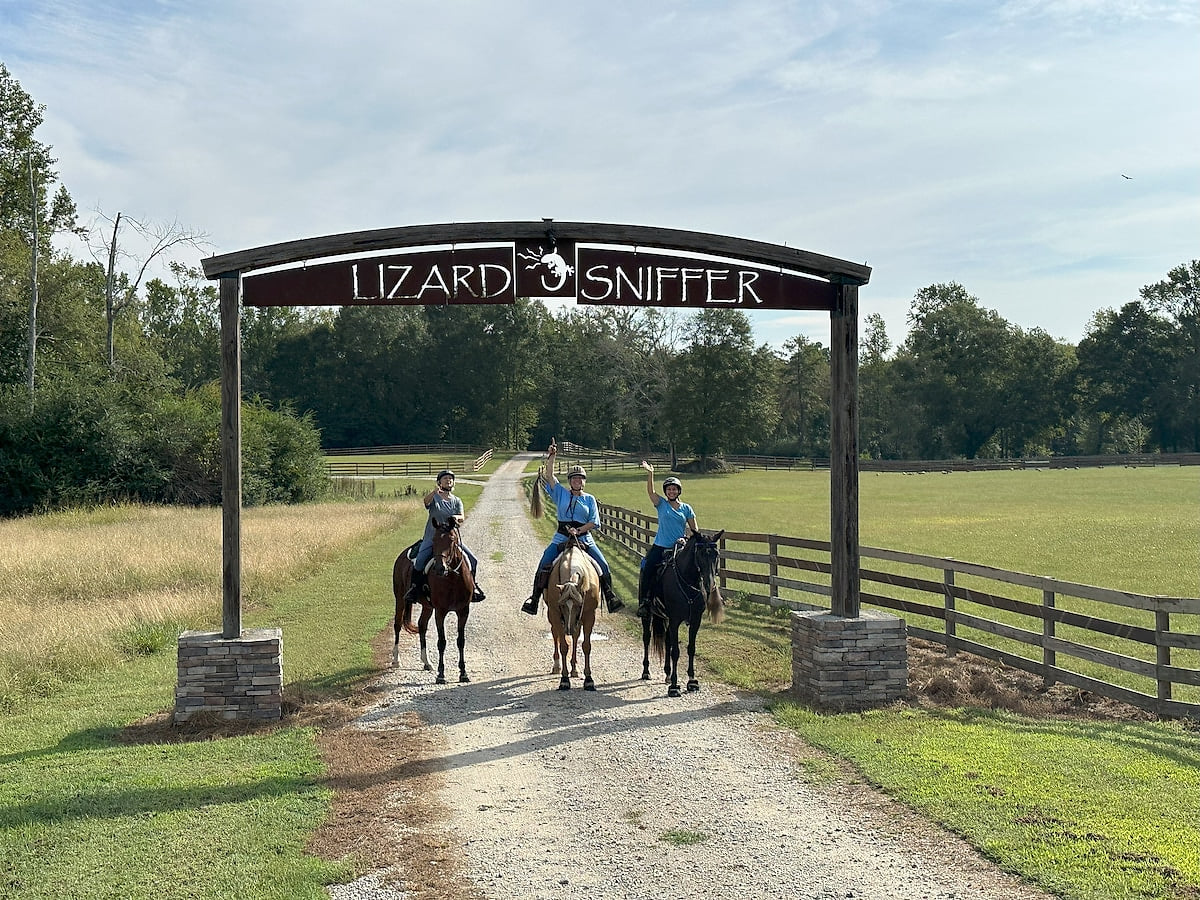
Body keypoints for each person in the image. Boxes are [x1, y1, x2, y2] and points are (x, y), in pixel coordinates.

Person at [521, 441, 623, 615]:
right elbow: (550, 475)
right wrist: (551, 457)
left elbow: (594, 522)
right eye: (574, 478)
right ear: (570, 481)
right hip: (561, 536)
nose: (577, 481)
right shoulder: (561, 493)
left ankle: (610, 596)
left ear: (584, 482)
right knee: (544, 563)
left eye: (580, 479)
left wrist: (579, 530)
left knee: (603, 565)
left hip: (584, 537)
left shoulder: (590, 499)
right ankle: (534, 598)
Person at [403, 470, 485, 604]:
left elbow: (462, 517)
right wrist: (434, 492)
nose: (448, 480)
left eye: (451, 479)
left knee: (473, 560)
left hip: (451, 540)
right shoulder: (435, 498)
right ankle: (414, 589)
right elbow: (425, 502)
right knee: (419, 562)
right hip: (432, 538)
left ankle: (473, 588)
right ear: (439, 482)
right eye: (445, 478)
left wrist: (455, 517)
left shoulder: (457, 500)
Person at [636, 460, 698, 619]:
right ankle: (645, 601)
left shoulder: (687, 508)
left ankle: (700, 599)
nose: (671, 491)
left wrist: (686, 538)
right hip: (660, 546)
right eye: (669, 489)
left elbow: (694, 531)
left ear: (679, 491)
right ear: (666, 491)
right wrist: (651, 473)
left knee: (698, 568)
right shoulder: (661, 504)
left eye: (674, 489)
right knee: (647, 567)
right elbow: (651, 492)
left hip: (680, 548)